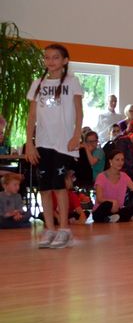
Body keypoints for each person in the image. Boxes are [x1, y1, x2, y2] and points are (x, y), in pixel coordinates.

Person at [25, 44, 83, 249]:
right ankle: (49, 229)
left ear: (65, 61)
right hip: (43, 142)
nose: (50, 61)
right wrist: (30, 143)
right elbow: (32, 116)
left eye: (55, 57)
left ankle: (65, 229)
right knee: (44, 187)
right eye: (47, 57)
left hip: (64, 143)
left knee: (59, 185)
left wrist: (77, 135)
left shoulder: (72, 82)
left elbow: (79, 111)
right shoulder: (37, 84)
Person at [93, 149, 133, 222]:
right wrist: (112, 202)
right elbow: (99, 199)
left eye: (122, 160)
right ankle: (114, 218)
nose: (120, 162)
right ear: (110, 161)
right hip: (102, 211)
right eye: (117, 160)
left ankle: (113, 218)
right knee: (107, 204)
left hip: (117, 211)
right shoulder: (101, 176)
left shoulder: (124, 176)